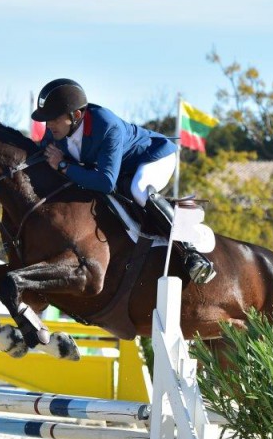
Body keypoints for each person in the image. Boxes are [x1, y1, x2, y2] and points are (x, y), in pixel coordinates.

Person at [32, 78, 215, 284]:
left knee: (139, 189)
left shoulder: (106, 125)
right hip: (120, 171)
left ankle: (191, 252)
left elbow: (105, 182)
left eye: (54, 119)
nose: (48, 125)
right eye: (47, 120)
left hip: (152, 157)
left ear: (76, 115)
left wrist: (64, 166)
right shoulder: (54, 133)